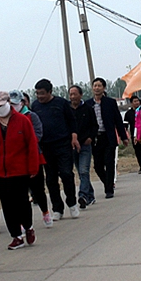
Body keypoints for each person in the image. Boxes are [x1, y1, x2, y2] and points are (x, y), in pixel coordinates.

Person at [0, 91, 40, 250]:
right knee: (7, 205)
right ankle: (16, 236)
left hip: (20, 171)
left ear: (8, 102)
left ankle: (28, 226)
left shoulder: (22, 121)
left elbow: (32, 145)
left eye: (1, 105)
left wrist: (33, 167)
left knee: (22, 202)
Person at [31, 79, 81, 218]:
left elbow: (72, 121)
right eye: (37, 93)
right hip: (45, 146)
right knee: (51, 179)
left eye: (42, 93)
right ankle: (57, 208)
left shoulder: (61, 103)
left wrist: (74, 137)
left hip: (63, 144)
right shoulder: (35, 106)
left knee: (66, 174)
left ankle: (72, 203)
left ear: (50, 92)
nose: (40, 96)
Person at [8, 90, 51, 227]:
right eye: (10, 104)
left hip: (33, 157)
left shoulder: (31, 116)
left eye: (15, 104)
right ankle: (24, 222)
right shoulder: (7, 119)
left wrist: (24, 143)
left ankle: (45, 212)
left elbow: (38, 134)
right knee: (20, 194)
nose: (13, 106)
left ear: (22, 103)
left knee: (38, 190)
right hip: (16, 160)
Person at [85, 78, 128, 197]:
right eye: (95, 86)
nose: (97, 88)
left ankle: (109, 190)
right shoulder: (88, 104)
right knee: (98, 166)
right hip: (95, 139)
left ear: (104, 88)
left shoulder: (110, 102)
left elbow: (118, 120)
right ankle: (108, 182)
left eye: (99, 86)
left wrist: (123, 136)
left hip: (108, 137)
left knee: (109, 163)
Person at [68, 85, 99, 208]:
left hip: (85, 145)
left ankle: (83, 195)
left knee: (84, 170)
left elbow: (94, 125)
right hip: (72, 145)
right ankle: (90, 195)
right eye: (71, 94)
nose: (72, 97)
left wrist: (90, 137)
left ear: (81, 95)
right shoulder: (67, 109)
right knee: (81, 173)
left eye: (75, 94)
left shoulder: (87, 108)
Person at [124, 96, 141, 174]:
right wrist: (125, 135)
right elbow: (125, 125)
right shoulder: (128, 113)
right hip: (134, 135)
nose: (137, 103)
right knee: (138, 151)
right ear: (131, 103)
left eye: (137, 101)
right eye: (134, 101)